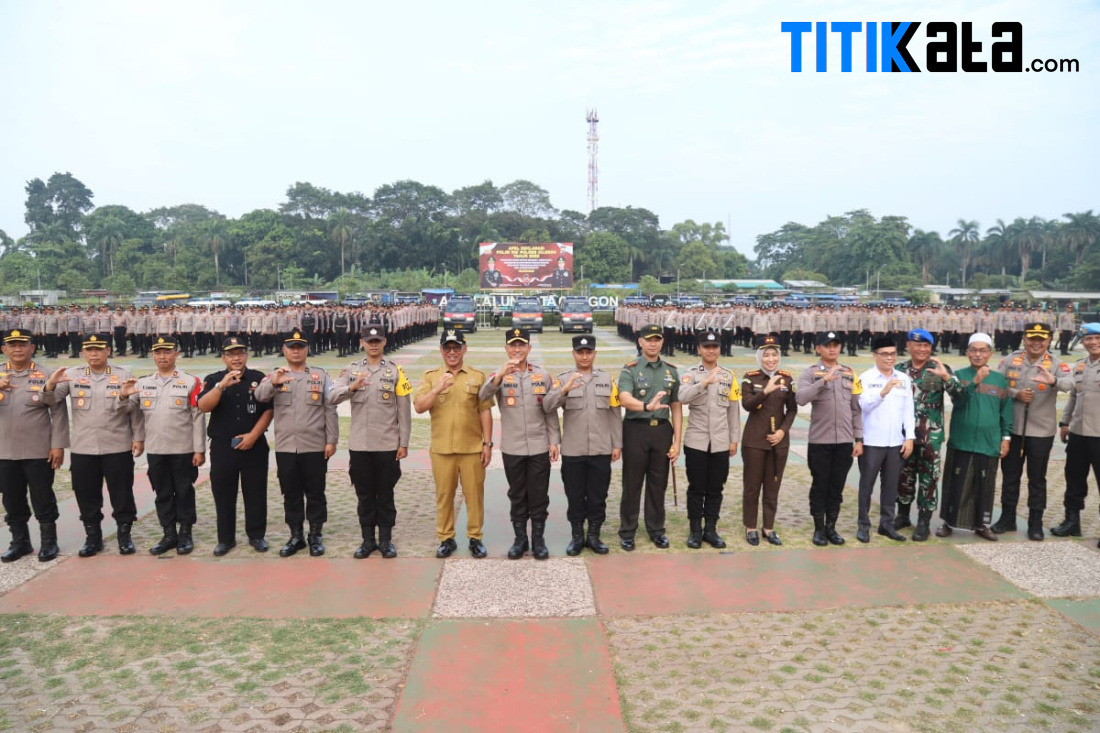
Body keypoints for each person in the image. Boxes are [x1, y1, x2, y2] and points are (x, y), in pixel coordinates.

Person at [45, 333, 142, 557]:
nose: (94, 353)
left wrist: (137, 436)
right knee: (86, 493)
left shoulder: (122, 374)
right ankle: (93, 537)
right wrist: (50, 383)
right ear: (83, 352)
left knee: (122, 493)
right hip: (84, 447)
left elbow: (133, 409)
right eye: (89, 350)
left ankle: (124, 535)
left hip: (117, 445)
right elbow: (50, 401)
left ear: (108, 350)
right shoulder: (71, 375)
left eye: (99, 349)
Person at [329, 322, 412, 559]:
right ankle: (367, 540)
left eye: (377, 341)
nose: (373, 345)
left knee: (385, 494)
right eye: (369, 341)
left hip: (387, 445)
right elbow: (332, 397)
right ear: (361, 343)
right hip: (360, 445)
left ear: (385, 342)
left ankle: (385, 540)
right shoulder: (351, 370)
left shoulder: (396, 371)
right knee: (364, 494)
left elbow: (404, 410)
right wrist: (352, 388)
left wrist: (403, 442)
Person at [254, 331, 338, 557]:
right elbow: (260, 397)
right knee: (290, 493)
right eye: (291, 347)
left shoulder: (320, 376)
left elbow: (330, 408)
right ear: (284, 350)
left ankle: (315, 535)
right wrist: (274, 382)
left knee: (316, 492)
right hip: (286, 447)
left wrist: (331, 440)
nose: (296, 350)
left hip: (315, 445)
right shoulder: (275, 375)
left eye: (300, 346)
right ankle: (296, 535)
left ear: (307, 349)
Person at [987, 322, 1074, 540]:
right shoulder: (1011, 359)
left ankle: (1035, 522)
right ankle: (1007, 518)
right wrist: (1015, 393)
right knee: (1010, 476)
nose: (1036, 343)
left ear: (1048, 341)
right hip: (1013, 429)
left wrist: (1052, 380)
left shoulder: (1055, 363)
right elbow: (996, 384)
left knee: (1037, 479)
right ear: (1024, 339)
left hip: (1040, 432)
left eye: (1041, 339)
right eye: (1031, 339)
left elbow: (1069, 384)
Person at [481, 328, 561, 559]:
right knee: (517, 494)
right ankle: (520, 539)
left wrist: (554, 440)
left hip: (539, 445)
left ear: (529, 348)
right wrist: (498, 376)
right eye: (513, 345)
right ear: (506, 348)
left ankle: (538, 539)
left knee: (538, 494)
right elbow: (482, 397)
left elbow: (550, 411)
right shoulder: (499, 374)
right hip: (512, 447)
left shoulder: (543, 375)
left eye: (521, 345)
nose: (517, 349)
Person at [414, 329, 493, 559]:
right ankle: (446, 538)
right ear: (441, 350)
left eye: (456, 347)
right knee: (444, 495)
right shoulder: (431, 376)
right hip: (442, 449)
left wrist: (487, 444)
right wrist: (438, 388)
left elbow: (485, 411)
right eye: (447, 348)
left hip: (472, 448)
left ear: (464, 349)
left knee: (474, 495)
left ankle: (475, 537)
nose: (452, 352)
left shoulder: (477, 376)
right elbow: (419, 406)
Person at [124, 336, 205, 555]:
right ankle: (169, 534)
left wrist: (199, 449)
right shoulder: (142, 383)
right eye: (158, 353)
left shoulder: (190, 381)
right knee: (162, 492)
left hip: (183, 449)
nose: (162, 356)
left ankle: (186, 533)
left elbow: (198, 417)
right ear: (153, 355)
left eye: (167, 352)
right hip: (156, 449)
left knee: (184, 491)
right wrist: (138, 440)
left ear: (176, 354)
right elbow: (136, 416)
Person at [543, 335, 622, 555]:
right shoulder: (563, 379)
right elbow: (548, 407)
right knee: (575, 496)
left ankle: (594, 536)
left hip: (601, 449)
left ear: (594, 354)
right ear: (573, 354)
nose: (584, 356)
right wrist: (564, 390)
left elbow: (615, 413)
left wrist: (617, 444)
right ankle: (577, 536)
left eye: (588, 352)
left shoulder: (607, 379)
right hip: (573, 450)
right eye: (580, 352)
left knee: (598, 496)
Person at [196, 336, 274, 556]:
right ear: (223, 357)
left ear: (246, 355)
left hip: (255, 446)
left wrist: (253, 436)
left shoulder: (258, 379)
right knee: (223, 494)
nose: (236, 358)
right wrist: (221, 386)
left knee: (256, 493)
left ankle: (257, 536)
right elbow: (203, 406)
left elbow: (268, 409)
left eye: (240, 353)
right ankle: (225, 539)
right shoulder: (213, 380)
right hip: (223, 447)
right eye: (231, 354)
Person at [0, 329, 69, 562]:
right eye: (12, 345)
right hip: (5, 449)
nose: (17, 349)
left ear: (32, 348)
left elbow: (58, 411)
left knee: (42, 496)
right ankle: (20, 542)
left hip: (38, 449)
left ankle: (49, 543)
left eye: (23, 345)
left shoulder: (47, 373)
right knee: (11, 498)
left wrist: (58, 445)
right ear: (4, 349)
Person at [937, 333, 1012, 541]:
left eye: (983, 350)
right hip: (962, 440)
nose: (978, 355)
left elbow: (1006, 412)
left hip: (988, 442)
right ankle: (948, 522)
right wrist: (974, 383)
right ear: (968, 352)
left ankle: (982, 524)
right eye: (974, 350)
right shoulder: (958, 376)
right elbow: (959, 402)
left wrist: (1005, 438)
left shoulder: (1000, 380)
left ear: (991, 353)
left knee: (984, 485)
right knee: (956, 483)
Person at [617, 324, 682, 550]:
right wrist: (646, 406)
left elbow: (676, 406)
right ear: (640, 342)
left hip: (662, 431)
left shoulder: (671, 371)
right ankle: (627, 531)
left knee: (658, 482)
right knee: (632, 483)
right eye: (649, 339)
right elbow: (624, 398)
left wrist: (677, 441)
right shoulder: (630, 369)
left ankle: (656, 529)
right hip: (636, 430)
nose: (653, 343)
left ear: (662, 342)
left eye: (657, 339)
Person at [796, 331, 863, 546]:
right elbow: (801, 398)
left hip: (843, 441)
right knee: (820, 486)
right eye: (827, 345)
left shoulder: (850, 373)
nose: (832, 349)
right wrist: (823, 381)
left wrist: (858, 438)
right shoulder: (810, 373)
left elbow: (856, 408)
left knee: (836, 487)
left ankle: (831, 527)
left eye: (836, 345)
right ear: (818, 348)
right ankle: (818, 529)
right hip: (820, 442)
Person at [896, 329, 963, 541]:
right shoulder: (898, 370)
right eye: (917, 345)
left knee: (929, 478)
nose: (922, 349)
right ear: (908, 346)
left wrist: (946, 378)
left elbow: (960, 396)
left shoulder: (938, 368)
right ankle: (903, 516)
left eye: (926, 346)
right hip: (904, 436)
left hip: (930, 437)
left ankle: (923, 522)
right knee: (903, 476)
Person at [677, 330, 741, 548]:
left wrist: (734, 439)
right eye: (706, 347)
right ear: (699, 349)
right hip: (696, 441)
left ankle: (711, 530)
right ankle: (695, 531)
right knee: (696, 488)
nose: (711, 350)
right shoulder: (691, 374)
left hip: (721, 442)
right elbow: (682, 397)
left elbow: (733, 410)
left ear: (719, 349)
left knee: (716, 488)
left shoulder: (728, 376)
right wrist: (703, 384)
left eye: (714, 347)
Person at [855, 336, 915, 543]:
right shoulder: (865, 378)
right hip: (872, 441)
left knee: (891, 487)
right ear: (875, 355)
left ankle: (886, 524)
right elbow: (863, 406)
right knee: (866, 486)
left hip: (895, 443)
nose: (889, 358)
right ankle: (863, 525)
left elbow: (909, 411)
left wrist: (909, 438)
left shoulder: (904, 379)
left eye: (892, 354)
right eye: (884, 354)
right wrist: (883, 391)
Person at [740, 335, 798, 546]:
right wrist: (765, 390)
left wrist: (783, 431)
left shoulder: (787, 379)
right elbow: (746, 404)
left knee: (773, 487)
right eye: (766, 355)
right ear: (759, 357)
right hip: (755, 440)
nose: (771, 359)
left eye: (774, 355)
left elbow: (792, 410)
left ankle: (769, 527)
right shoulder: (750, 378)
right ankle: (750, 527)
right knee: (752, 486)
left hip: (778, 442)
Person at [1051, 323, 1100, 541]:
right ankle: (1072, 522)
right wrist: (1064, 422)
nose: (1093, 343)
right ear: (1083, 341)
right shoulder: (1080, 366)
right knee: (1074, 479)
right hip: (1079, 433)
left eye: (1098, 338)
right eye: (1089, 339)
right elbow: (1073, 396)